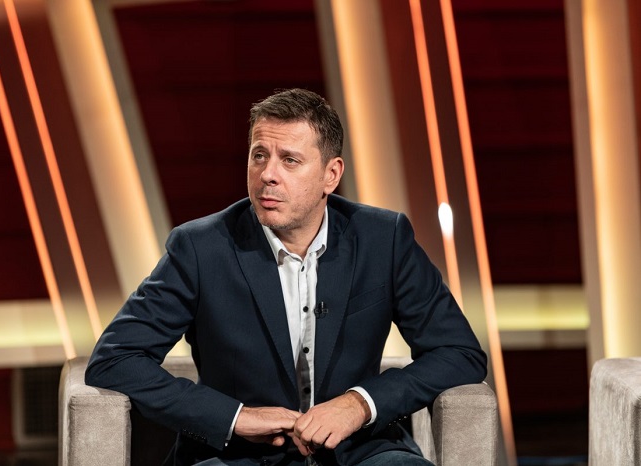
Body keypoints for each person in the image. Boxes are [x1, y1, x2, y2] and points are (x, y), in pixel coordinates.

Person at [85, 88, 487, 466]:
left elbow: (459, 352)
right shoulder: (200, 248)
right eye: (259, 156)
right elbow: (116, 359)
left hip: (361, 451)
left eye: (289, 160)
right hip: (236, 455)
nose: (267, 175)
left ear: (331, 174)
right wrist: (236, 416)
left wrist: (359, 404)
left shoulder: (384, 239)